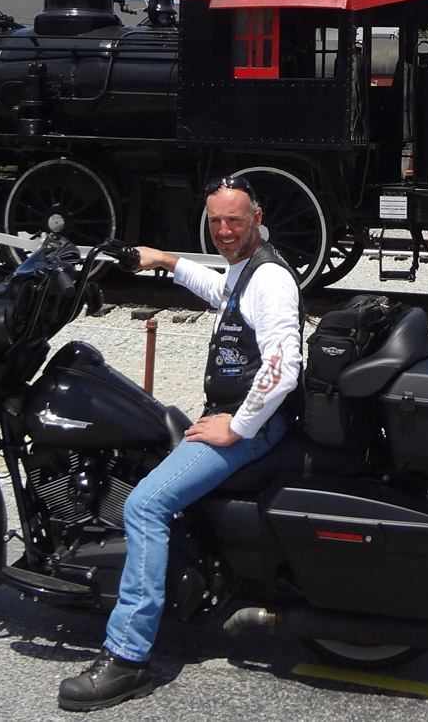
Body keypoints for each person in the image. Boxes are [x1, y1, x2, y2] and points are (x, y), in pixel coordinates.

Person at [58, 175, 304, 712]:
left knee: (146, 504)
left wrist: (237, 426)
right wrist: (165, 260)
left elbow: (285, 366)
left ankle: (127, 656)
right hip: (244, 416)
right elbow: (221, 290)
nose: (223, 230)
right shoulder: (247, 270)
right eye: (216, 221)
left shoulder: (271, 280)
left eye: (234, 220)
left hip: (255, 426)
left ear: (257, 219)